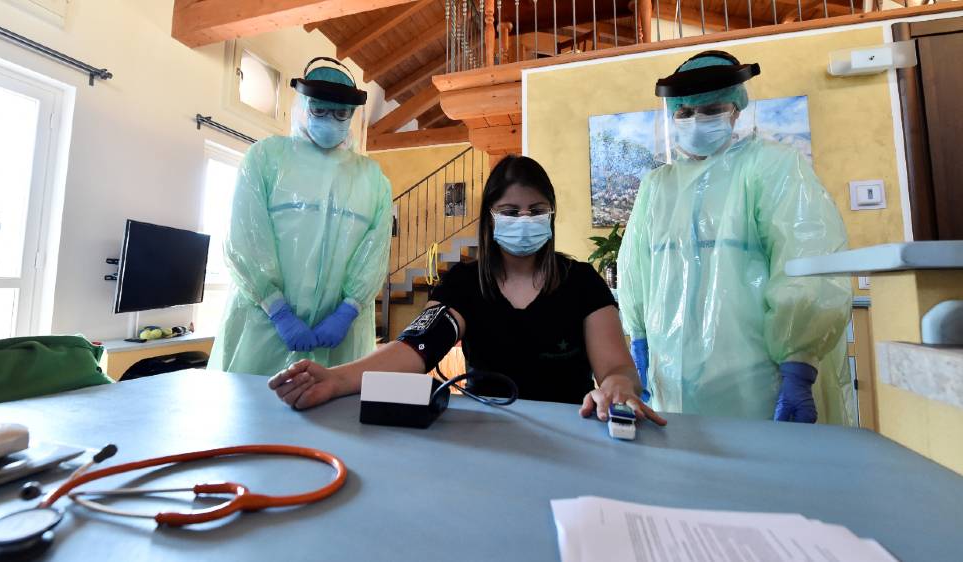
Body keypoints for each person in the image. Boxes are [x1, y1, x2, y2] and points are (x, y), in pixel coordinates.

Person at [268, 155, 666, 425]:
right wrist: (337, 379)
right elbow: (415, 349)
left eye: (536, 211)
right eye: (510, 212)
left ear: (551, 215)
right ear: (490, 219)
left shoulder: (581, 281)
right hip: (485, 431)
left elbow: (617, 369)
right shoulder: (463, 282)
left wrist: (618, 385)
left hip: (572, 431)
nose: (524, 220)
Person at [617, 50, 853, 424]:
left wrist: (799, 360)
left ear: (736, 110)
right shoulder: (657, 187)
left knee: (757, 459)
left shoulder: (771, 166)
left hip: (755, 379)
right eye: (684, 112)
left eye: (711, 109)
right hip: (669, 377)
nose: (696, 120)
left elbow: (806, 257)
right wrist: (639, 339)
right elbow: (635, 269)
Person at [209, 58, 392, 376]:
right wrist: (276, 309)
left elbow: (374, 251)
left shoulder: (372, 178)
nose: (330, 119)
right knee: (252, 404)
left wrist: (348, 310)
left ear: (352, 114)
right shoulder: (266, 158)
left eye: (341, 113)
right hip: (262, 331)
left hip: (340, 341)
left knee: (334, 404)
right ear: (303, 106)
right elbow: (246, 238)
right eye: (319, 110)